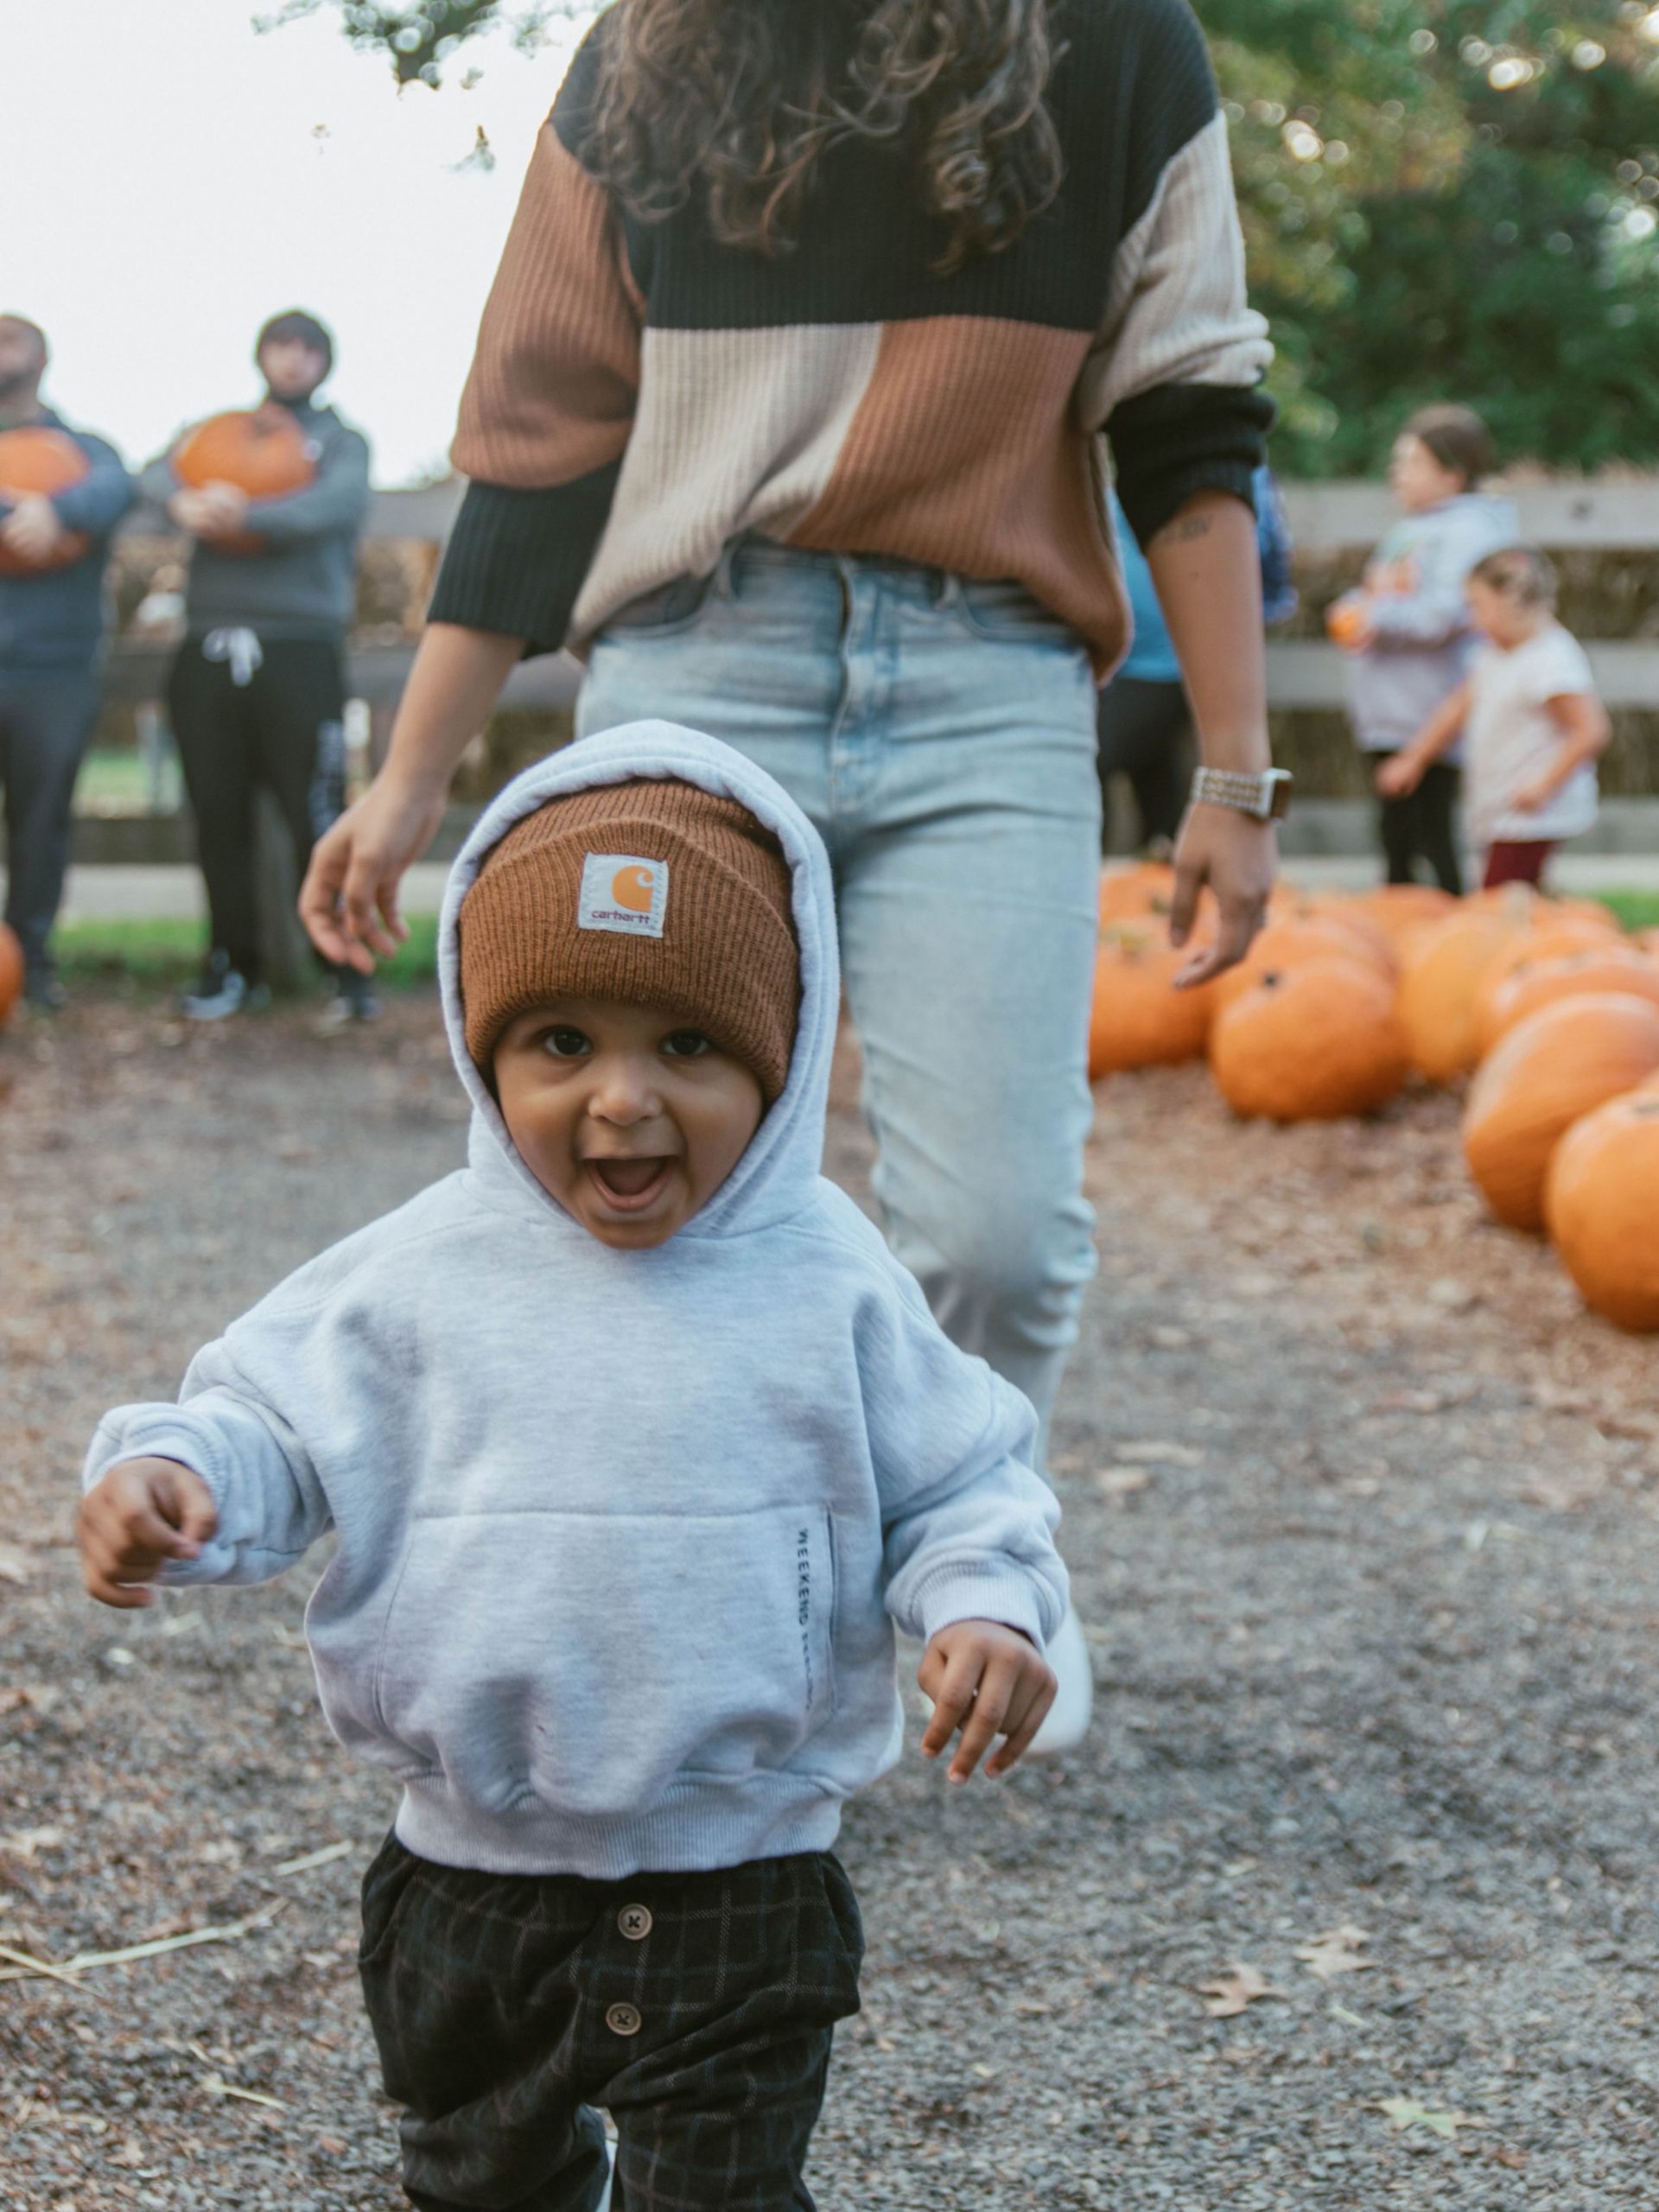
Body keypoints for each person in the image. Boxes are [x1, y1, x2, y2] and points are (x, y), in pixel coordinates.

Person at [301, 0, 1285, 1745]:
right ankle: (689, 1605)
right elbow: (538, 453)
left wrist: (1235, 770)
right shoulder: (645, 57)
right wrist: (406, 782)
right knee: (630, 1193)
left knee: (997, 1230)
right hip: (700, 662)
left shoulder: (1122, 43)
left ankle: (981, 1582)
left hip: (988, 676)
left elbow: (1191, 417)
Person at [78, 723, 1068, 2212]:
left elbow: (960, 1477)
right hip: (472, 1873)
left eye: (687, 1046)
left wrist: (988, 1599)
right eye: (563, 1044)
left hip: (746, 1867)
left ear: (782, 1057)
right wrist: (177, 1476)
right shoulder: (421, 1272)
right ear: (484, 1048)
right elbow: (272, 1423)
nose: (621, 1101)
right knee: (481, 2178)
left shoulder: (828, 1278)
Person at [142, 309, 373, 1024]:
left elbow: (329, 507)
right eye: (282, 345)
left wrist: (248, 514)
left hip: (299, 646)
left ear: (324, 361)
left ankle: (345, 972)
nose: (293, 359)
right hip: (210, 643)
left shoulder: (341, 441)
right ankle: (233, 966)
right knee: (217, 814)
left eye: (307, 348)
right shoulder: (215, 433)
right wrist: (182, 498)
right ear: (262, 355)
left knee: (316, 812)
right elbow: (149, 475)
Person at [1327, 403, 1516, 895]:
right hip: (1391, 712)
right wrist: (1353, 608)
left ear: (1452, 475)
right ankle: (1405, 930)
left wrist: (1374, 618)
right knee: (1396, 834)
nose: (1398, 473)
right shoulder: (1411, 530)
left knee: (1428, 835)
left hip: (1429, 713)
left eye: (1411, 462)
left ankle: (1446, 934)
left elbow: (1445, 612)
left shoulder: (1469, 533)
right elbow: (1382, 594)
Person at [0, 313, 133, 1009]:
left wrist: (55, 510)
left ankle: (31, 961)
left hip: (56, 668)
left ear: (40, 359)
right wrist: (10, 511)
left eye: (10, 339)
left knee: (42, 817)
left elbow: (121, 487)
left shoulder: (85, 448)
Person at [1377, 548, 1609, 892]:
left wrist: (1543, 787)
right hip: (1501, 805)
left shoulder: (1551, 662)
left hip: (1532, 815)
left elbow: (1591, 731)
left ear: (1512, 602)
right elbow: (1457, 707)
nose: (1471, 619)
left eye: (1477, 606)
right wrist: (1414, 758)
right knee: (1519, 894)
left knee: (1497, 896)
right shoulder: (1492, 654)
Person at [1098, 463, 1296, 852]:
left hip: (1172, 662)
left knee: (1094, 758)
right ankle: (1159, 861)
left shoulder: (1223, 469)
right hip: (1118, 660)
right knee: (1154, 775)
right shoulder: (1114, 468)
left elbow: (1260, 571)